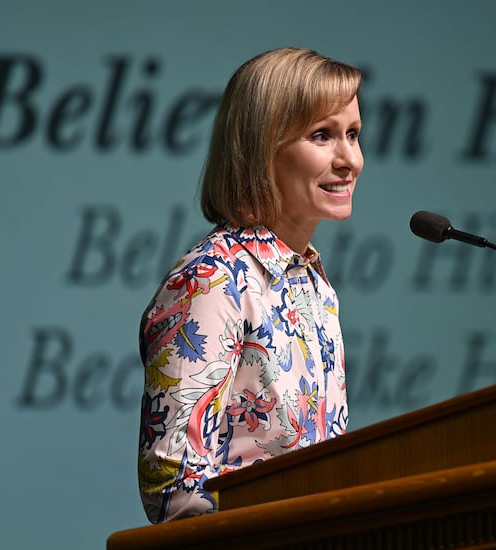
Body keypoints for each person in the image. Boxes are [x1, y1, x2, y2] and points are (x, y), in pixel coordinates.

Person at [137, 47, 364, 523]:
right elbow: (175, 492)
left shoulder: (316, 285)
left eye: (353, 135)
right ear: (262, 148)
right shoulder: (211, 279)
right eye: (322, 135)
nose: (349, 160)